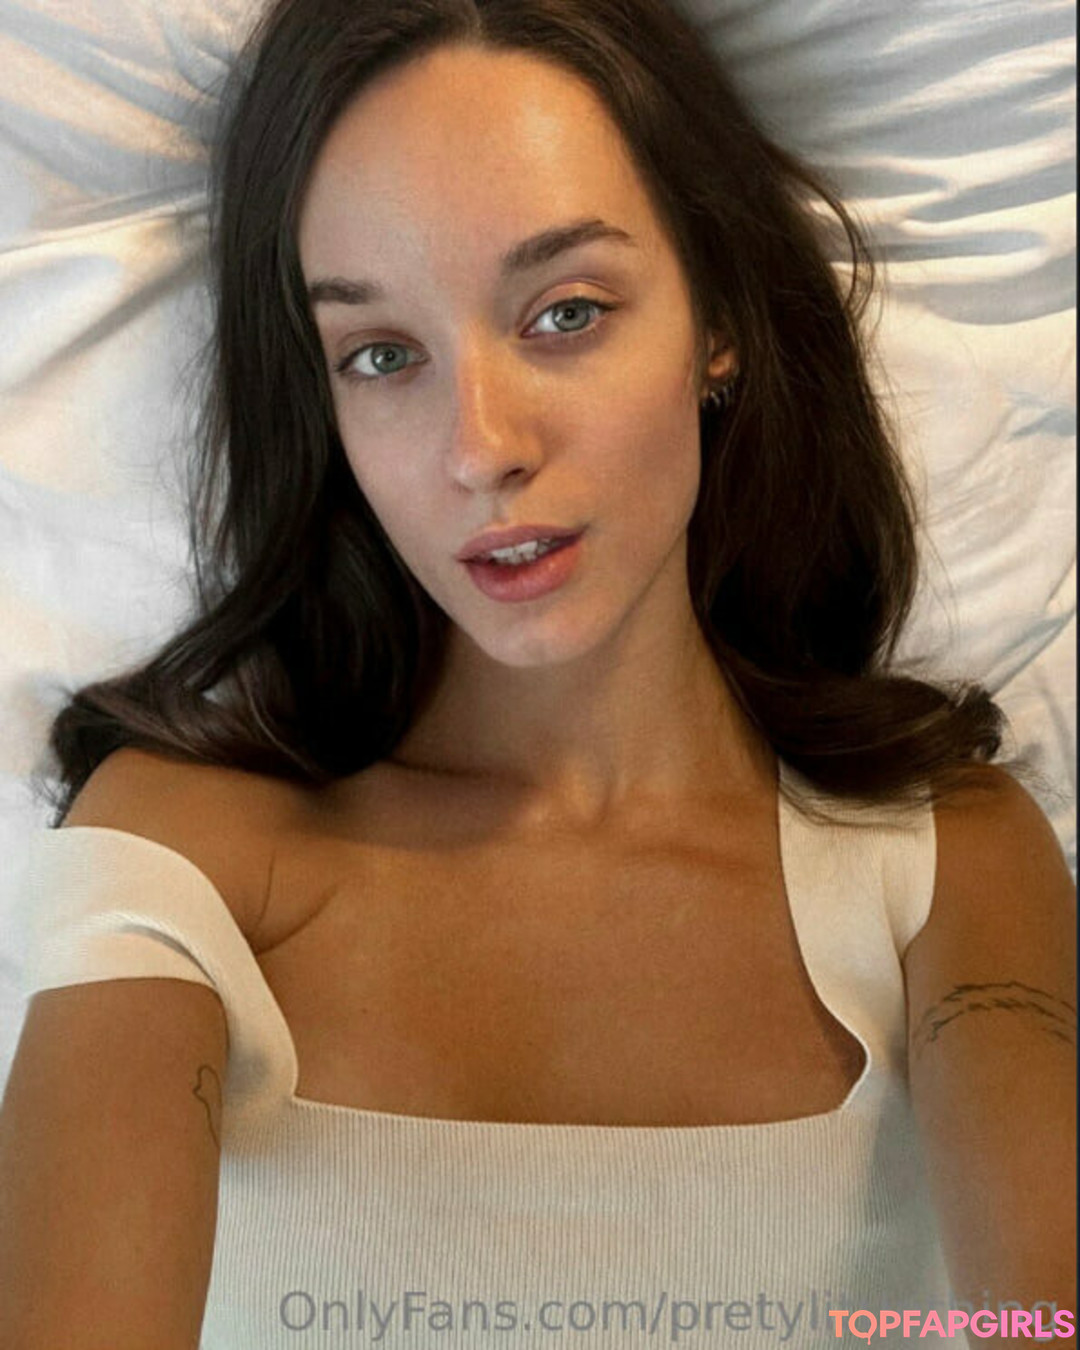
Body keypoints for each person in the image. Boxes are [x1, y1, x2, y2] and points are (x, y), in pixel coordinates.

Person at [0, 0, 1074, 1346]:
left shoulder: (941, 863)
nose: (480, 447)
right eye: (382, 355)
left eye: (566, 312)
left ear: (719, 316)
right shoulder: (184, 857)